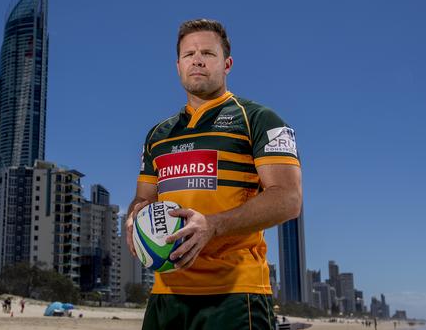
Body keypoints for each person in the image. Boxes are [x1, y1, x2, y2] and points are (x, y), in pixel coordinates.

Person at [126, 19, 302, 330]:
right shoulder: (157, 134)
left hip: (235, 294)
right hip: (165, 294)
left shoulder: (258, 119)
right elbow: (143, 199)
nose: (197, 59)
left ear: (227, 63)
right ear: (178, 65)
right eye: (188, 54)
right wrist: (133, 219)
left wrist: (213, 225)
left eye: (208, 52)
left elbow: (288, 199)